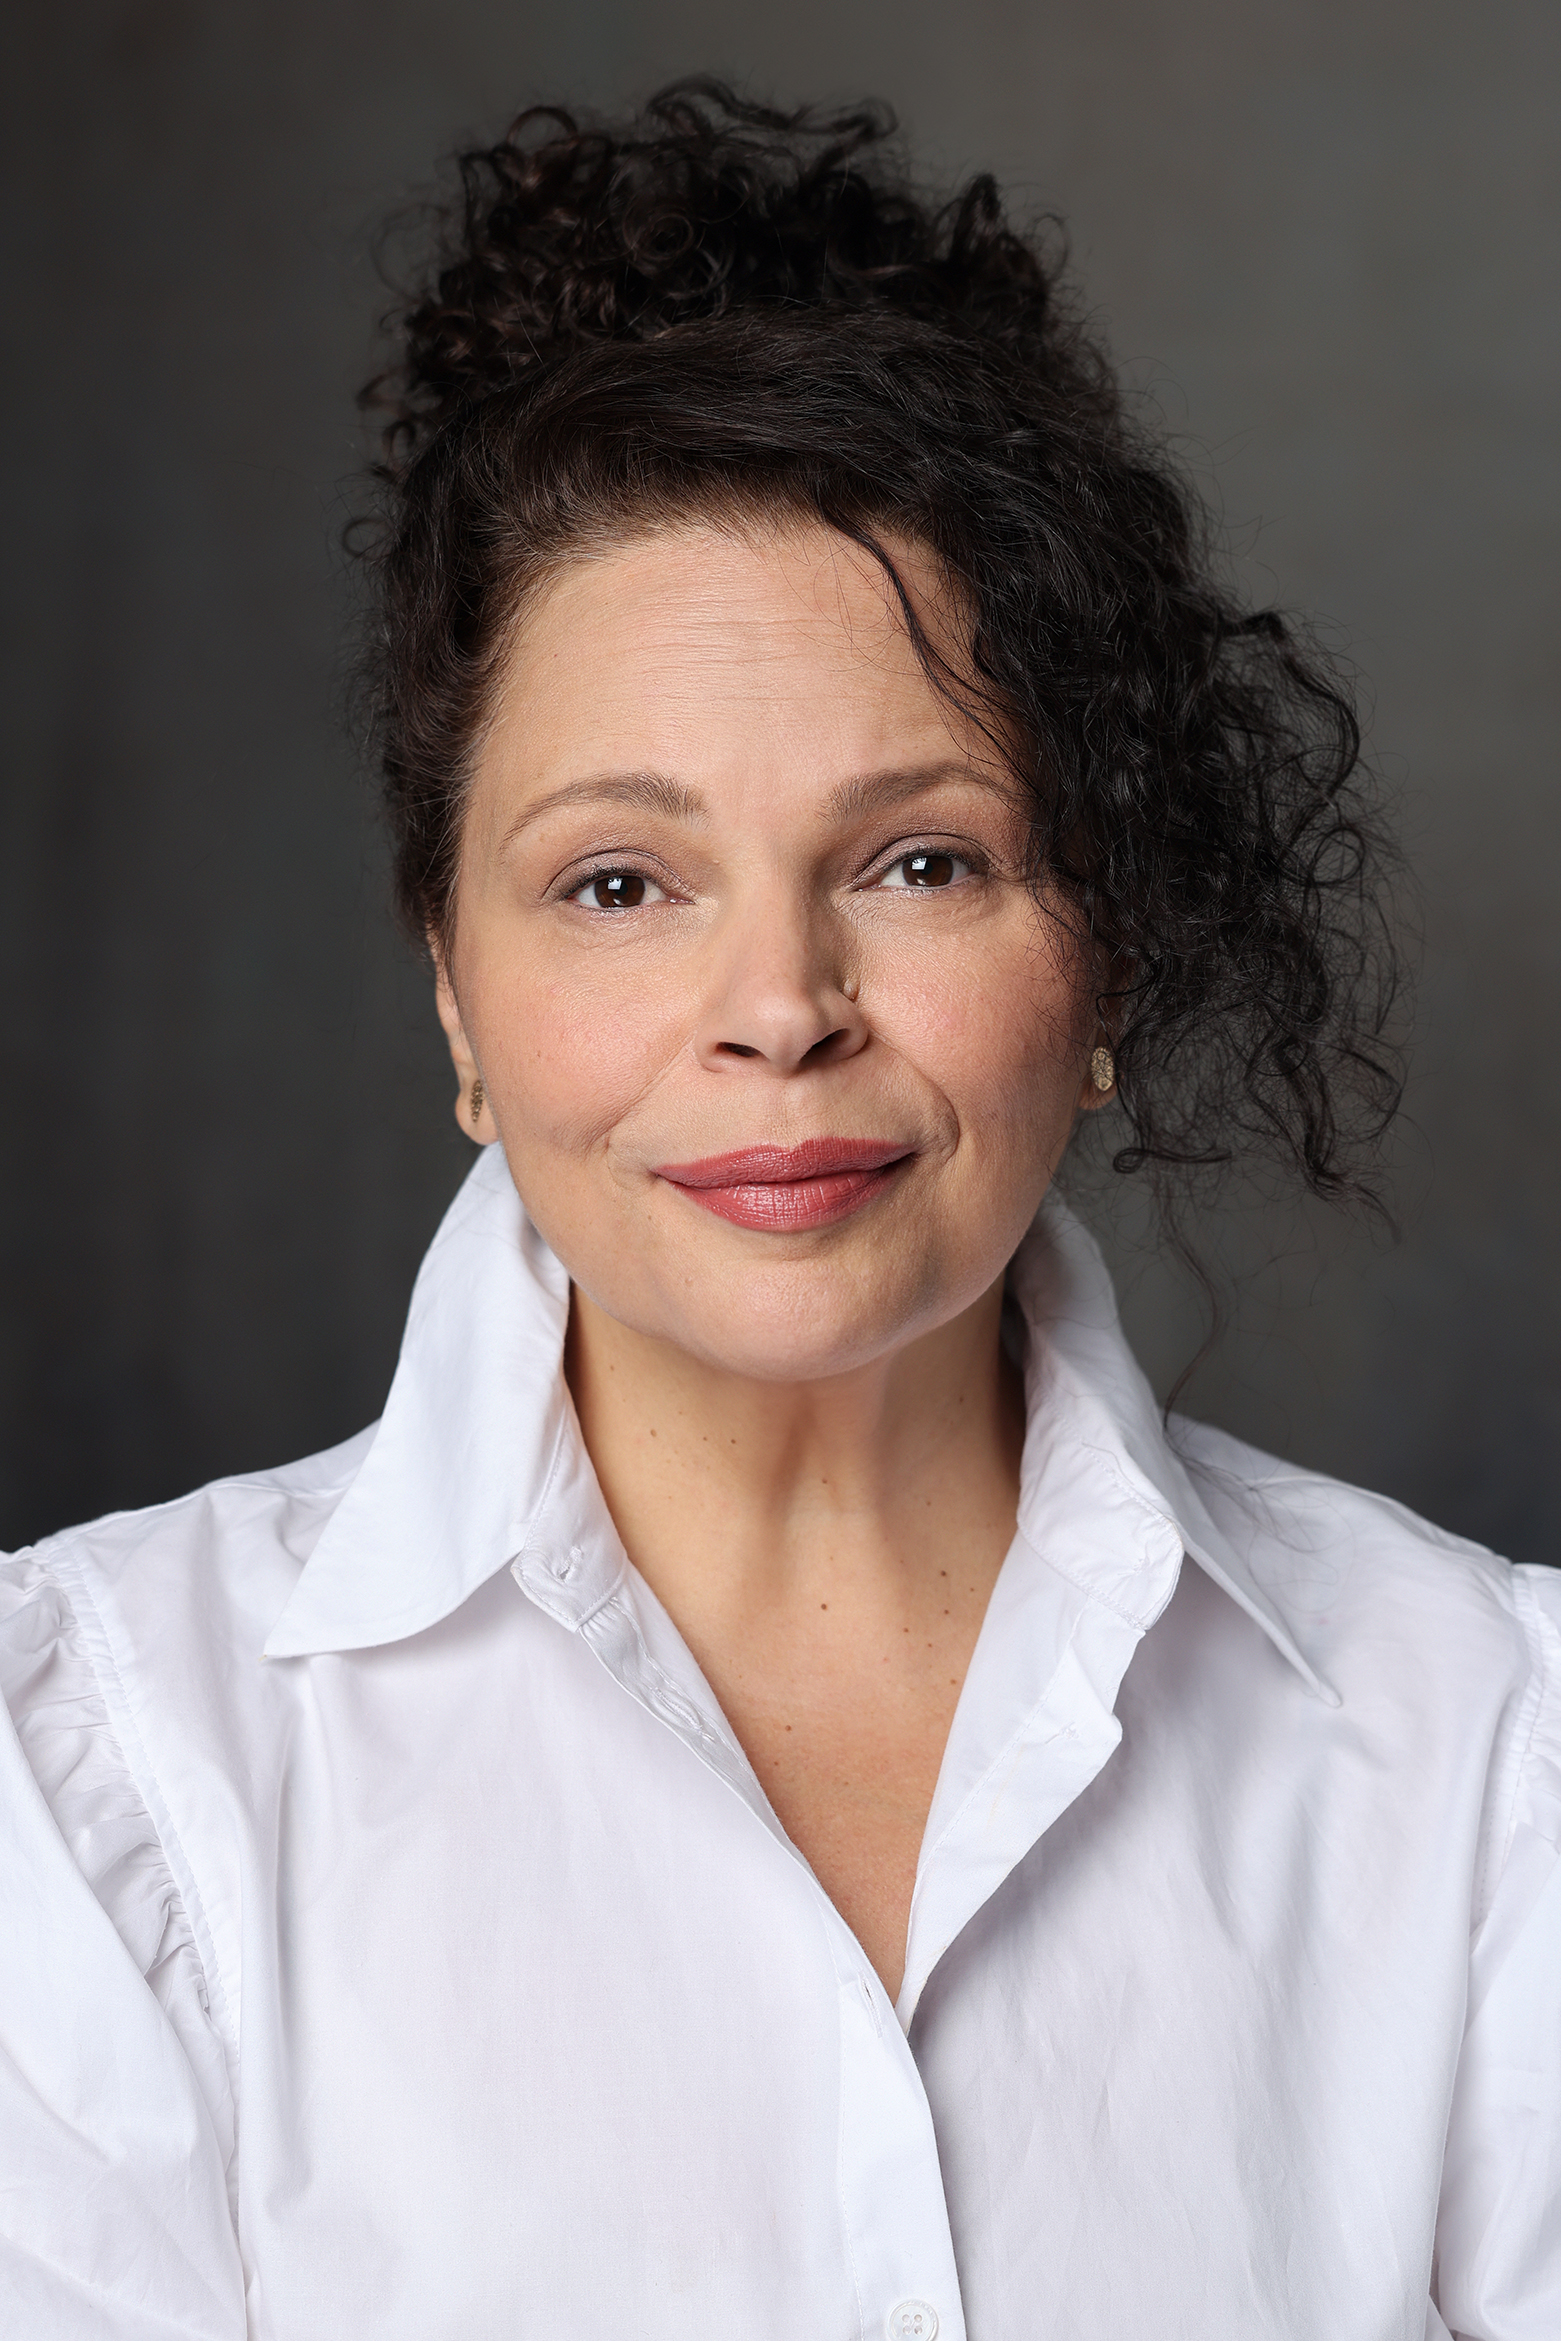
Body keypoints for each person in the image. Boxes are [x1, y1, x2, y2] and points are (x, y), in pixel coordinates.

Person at [1, 80, 1555, 2341]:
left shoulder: (1495, 1751)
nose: (777, 1008)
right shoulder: (82, 1781)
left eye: (918, 859)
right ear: (454, 992)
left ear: (1102, 955)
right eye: (617, 883)